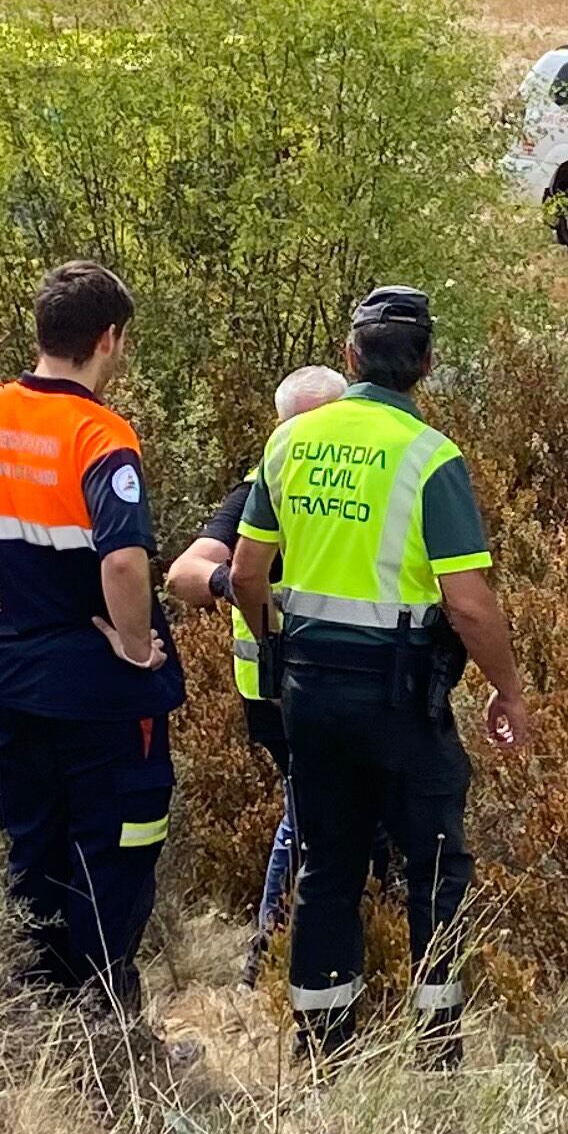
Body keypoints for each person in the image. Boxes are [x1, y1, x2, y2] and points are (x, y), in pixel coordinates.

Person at [230, 286, 531, 1064]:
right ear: (426, 365)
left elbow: (246, 572)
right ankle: (436, 1049)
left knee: (327, 863)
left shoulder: (291, 441)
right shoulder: (430, 458)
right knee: (433, 865)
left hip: (310, 692)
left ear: (351, 355)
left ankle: (323, 1046)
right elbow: (468, 604)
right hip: (400, 695)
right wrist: (508, 686)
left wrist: (275, 648)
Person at [0, 260, 180, 1011]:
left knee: (34, 847)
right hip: (102, 690)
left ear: (43, 332)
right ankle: (109, 1023)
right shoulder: (99, 434)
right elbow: (122, 561)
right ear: (109, 340)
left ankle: (38, 1009)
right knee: (119, 848)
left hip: (17, 671)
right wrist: (138, 645)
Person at [165, 363, 351, 985]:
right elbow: (183, 573)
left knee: (333, 818)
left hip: (337, 682)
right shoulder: (258, 489)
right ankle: (265, 959)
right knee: (307, 820)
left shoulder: (355, 485)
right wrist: (238, 585)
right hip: (278, 691)